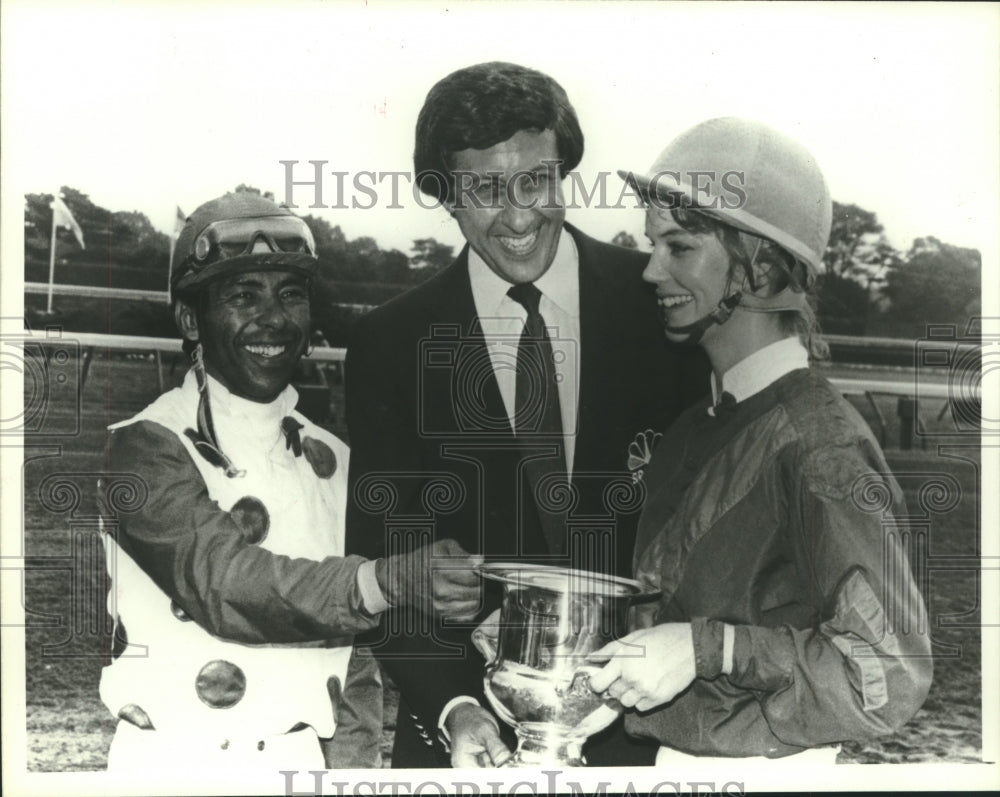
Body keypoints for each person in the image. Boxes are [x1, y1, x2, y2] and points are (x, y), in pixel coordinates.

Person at [344, 62, 708, 768]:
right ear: (444, 195)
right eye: (483, 188)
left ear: (564, 172)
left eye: (535, 181)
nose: (517, 216)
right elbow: (385, 559)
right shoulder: (391, 342)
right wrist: (456, 705)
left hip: (645, 741)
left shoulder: (659, 310)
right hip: (468, 741)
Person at [98, 192, 481, 775]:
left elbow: (355, 665)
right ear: (188, 319)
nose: (273, 318)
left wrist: (353, 769)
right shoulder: (144, 446)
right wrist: (384, 580)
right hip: (174, 767)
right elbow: (223, 584)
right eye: (242, 295)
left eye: (291, 294)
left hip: (306, 763)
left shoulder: (335, 456)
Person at [587, 118, 933, 763]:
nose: (651, 270)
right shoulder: (698, 423)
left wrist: (711, 649)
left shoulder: (819, 448)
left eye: (680, 248)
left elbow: (888, 678)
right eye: (652, 244)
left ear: (763, 269)